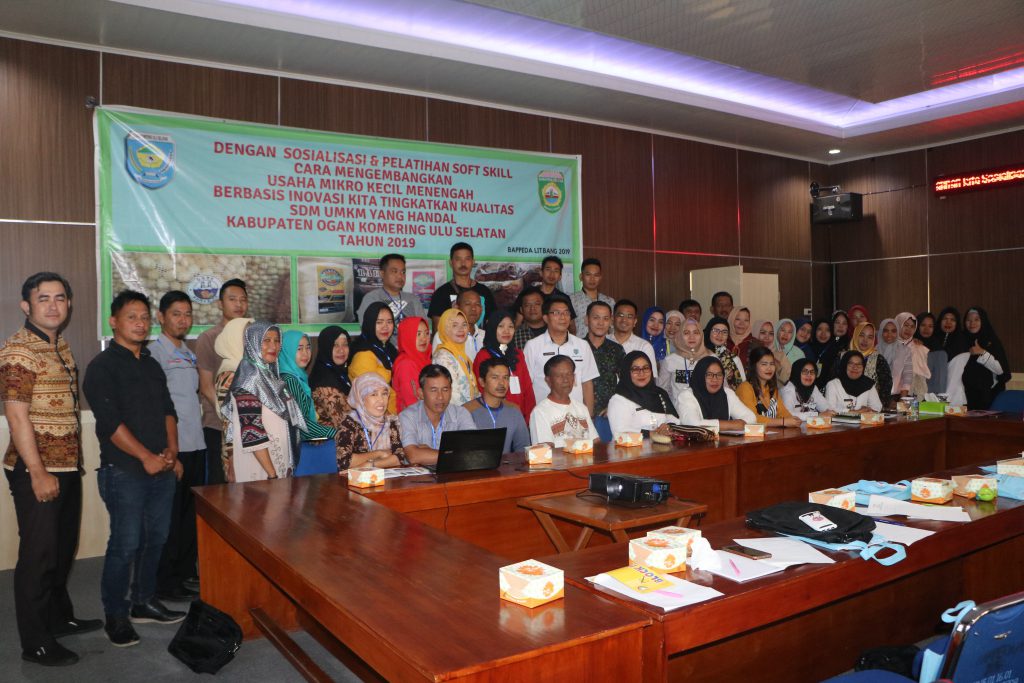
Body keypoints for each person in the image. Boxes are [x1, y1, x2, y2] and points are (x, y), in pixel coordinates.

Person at [2, 272, 101, 667]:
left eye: (60, 298)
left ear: (69, 304)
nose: (53, 305)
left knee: (61, 549)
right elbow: (16, 416)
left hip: (67, 465)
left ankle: (59, 619)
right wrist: (38, 472)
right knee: (39, 556)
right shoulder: (18, 350)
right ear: (26, 306)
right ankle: (36, 642)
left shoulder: (59, 344)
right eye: (43, 298)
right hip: (36, 469)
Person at [82, 290, 184, 648]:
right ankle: (116, 615)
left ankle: (143, 601)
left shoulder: (151, 364)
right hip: (124, 470)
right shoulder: (102, 367)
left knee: (156, 539)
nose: (140, 323)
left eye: (144, 317)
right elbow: (109, 423)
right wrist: (145, 457)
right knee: (125, 544)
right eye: (131, 317)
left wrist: (172, 452)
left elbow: (168, 411)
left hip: (161, 467)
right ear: (114, 322)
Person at [149, 291, 204, 603]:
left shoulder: (187, 352)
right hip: (174, 447)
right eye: (176, 314)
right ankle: (164, 582)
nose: (183, 320)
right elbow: (157, 407)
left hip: (195, 443)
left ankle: (183, 574)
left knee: (187, 515)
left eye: (187, 314)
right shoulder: (154, 354)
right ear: (161, 317)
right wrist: (168, 451)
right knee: (168, 518)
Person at [223, 322, 305, 483]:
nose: (273, 346)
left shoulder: (271, 377)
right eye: (266, 340)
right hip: (261, 469)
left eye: (277, 340)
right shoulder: (248, 380)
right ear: (253, 343)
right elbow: (252, 433)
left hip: (277, 465)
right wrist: (272, 474)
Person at [195, 278, 248, 485]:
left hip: (249, 424)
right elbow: (206, 386)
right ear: (220, 304)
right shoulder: (208, 338)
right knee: (221, 487)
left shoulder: (252, 336)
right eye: (232, 299)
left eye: (243, 300)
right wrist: (227, 414)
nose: (238, 304)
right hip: (218, 425)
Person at [523, 296, 598, 413]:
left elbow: (587, 383)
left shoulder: (582, 345)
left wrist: (589, 415)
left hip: (575, 413)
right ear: (546, 318)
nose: (563, 317)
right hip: (544, 414)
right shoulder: (533, 346)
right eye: (557, 313)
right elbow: (526, 384)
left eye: (566, 313)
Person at [398, 364, 476, 465]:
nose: (440, 397)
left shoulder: (461, 414)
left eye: (445, 390)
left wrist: (428, 453)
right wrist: (456, 454)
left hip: (452, 473)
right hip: (420, 475)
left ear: (451, 391)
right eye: (434, 390)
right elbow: (413, 456)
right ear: (421, 393)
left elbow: (472, 451)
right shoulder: (407, 416)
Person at [335, 373, 409, 471]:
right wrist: (378, 454)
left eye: (384, 394)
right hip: (358, 479)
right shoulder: (350, 423)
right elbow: (344, 461)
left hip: (388, 477)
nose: (381, 400)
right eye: (374, 394)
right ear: (361, 398)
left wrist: (370, 465)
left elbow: (399, 458)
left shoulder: (390, 421)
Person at [472, 309, 536, 422]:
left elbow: (527, 388)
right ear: (493, 328)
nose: (506, 331)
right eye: (501, 326)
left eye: (510, 326)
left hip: (520, 417)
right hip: (494, 417)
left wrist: (529, 418)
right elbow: (481, 389)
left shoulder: (518, 354)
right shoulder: (483, 355)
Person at [212, 316, 253, 482]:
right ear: (233, 339)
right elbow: (228, 421)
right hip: (237, 453)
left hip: (251, 448)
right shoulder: (229, 374)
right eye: (246, 337)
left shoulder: (247, 369)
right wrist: (232, 460)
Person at [279, 330, 337, 443]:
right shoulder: (290, 381)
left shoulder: (299, 377)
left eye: (308, 347)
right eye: (299, 349)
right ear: (287, 351)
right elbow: (299, 424)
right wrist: (334, 433)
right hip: (298, 446)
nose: (305, 353)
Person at [529, 355, 598, 447]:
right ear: (548, 380)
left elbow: (595, 443)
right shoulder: (540, 412)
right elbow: (545, 451)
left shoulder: (581, 408)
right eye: (559, 376)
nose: (565, 380)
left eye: (569, 374)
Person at [466, 357, 531, 454]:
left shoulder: (514, 410)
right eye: (495, 377)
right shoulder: (467, 411)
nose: (501, 383)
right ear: (482, 382)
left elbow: (523, 448)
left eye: (505, 378)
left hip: (508, 463)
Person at [672, 356, 756, 430]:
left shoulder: (727, 393)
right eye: (709, 375)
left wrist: (731, 425)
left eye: (719, 374)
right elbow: (692, 424)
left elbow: (751, 418)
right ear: (700, 376)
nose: (715, 379)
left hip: (724, 442)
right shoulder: (686, 395)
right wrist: (730, 425)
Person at [427, 242, 496, 331]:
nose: (463, 263)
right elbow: (438, 331)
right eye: (458, 259)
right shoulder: (441, 293)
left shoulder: (484, 291)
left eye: (467, 259)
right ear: (451, 262)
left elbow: (493, 325)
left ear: (473, 262)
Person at [607, 351, 680, 435]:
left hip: (663, 442)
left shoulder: (659, 394)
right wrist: (650, 433)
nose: (641, 373)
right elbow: (620, 433)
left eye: (646, 368)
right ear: (626, 372)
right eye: (635, 369)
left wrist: (668, 426)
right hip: (633, 444)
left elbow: (674, 420)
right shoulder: (619, 400)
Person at [954, 307, 1010, 410]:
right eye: (968, 320)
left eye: (976, 319)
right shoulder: (960, 340)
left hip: (988, 397)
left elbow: (1001, 371)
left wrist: (982, 353)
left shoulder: (991, 341)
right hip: (963, 397)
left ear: (983, 321)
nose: (972, 323)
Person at [349, 301, 399, 414]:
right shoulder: (362, 354)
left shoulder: (390, 348)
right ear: (370, 323)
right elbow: (370, 395)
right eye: (379, 322)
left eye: (389, 322)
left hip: (394, 411)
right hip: (376, 414)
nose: (385, 327)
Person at [355, 253, 427, 329]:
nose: (400, 276)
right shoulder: (371, 299)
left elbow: (423, 328)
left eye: (403, 272)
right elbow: (368, 329)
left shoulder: (413, 299)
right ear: (382, 274)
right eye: (394, 271)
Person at [736, 347, 801, 427]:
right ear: (754, 366)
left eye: (772, 364)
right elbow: (751, 418)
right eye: (764, 364)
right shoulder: (745, 388)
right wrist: (783, 422)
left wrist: (793, 420)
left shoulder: (772, 388)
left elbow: (783, 413)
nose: (769, 368)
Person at [583, 300, 624, 417]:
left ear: (611, 322)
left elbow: (626, 382)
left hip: (608, 414)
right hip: (579, 412)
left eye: (605, 318)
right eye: (596, 318)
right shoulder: (577, 347)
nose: (601, 323)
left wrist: (615, 406)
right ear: (586, 320)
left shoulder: (617, 349)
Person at [432, 308, 480, 407]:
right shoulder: (443, 357)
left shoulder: (461, 355)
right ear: (445, 329)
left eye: (464, 325)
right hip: (456, 412)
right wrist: (471, 409)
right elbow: (452, 395)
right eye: (454, 325)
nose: (461, 329)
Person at [309, 326, 352, 429]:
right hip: (332, 437)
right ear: (326, 347)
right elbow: (343, 424)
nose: (341, 350)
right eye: (335, 345)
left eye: (345, 345)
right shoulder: (325, 381)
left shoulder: (338, 371)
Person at [659, 316, 710, 395]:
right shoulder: (670, 360)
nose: (691, 337)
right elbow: (662, 390)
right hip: (676, 403)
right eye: (686, 333)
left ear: (701, 335)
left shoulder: (711, 359)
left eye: (696, 332)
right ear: (680, 336)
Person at [392, 317, 432, 412]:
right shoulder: (406, 365)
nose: (424, 338)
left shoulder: (426, 358)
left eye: (426, 333)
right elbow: (412, 403)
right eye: (418, 334)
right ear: (407, 336)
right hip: (413, 417)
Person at [849, 322, 893, 408]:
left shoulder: (879, 359)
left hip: (870, 409)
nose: (865, 340)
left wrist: (876, 407)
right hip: (844, 408)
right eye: (862, 335)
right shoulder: (843, 357)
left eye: (870, 337)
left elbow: (886, 387)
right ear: (855, 335)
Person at [569, 257, 614, 338]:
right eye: (588, 274)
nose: (592, 279)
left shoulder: (609, 301)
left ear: (600, 278)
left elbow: (612, 329)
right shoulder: (571, 299)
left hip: (604, 344)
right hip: (579, 344)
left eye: (596, 275)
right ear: (581, 276)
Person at [610, 299, 657, 372]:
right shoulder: (603, 341)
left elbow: (651, 375)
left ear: (635, 321)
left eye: (629, 316)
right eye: (621, 315)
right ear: (613, 318)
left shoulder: (644, 346)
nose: (624, 320)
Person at [877, 317, 913, 401]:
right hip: (876, 397)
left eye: (893, 331)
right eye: (886, 331)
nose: (889, 334)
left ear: (897, 333)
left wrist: (902, 400)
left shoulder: (905, 350)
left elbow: (907, 376)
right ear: (881, 332)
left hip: (897, 396)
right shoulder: (874, 351)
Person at [703, 316, 744, 389]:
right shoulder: (700, 355)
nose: (720, 335)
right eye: (716, 331)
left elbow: (743, 387)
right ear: (709, 332)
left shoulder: (734, 359)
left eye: (724, 332)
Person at [912, 312, 947, 394]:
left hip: (931, 396)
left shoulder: (939, 351)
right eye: (923, 325)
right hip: (910, 394)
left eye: (930, 326)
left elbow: (940, 380)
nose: (926, 329)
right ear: (917, 326)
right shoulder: (910, 344)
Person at [753, 319, 792, 384]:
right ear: (755, 332)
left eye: (771, 333)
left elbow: (790, 380)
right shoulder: (749, 352)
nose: (767, 337)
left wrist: (779, 368)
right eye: (763, 332)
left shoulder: (780, 355)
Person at [810, 319, 840, 390]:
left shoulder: (836, 352)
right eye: (819, 329)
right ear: (814, 331)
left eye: (827, 330)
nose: (823, 333)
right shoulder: (808, 349)